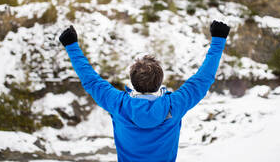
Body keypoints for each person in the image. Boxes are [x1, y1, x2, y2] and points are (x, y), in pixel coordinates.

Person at [59, 20, 230, 162]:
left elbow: (91, 80)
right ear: (160, 81)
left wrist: (72, 45)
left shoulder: (118, 104)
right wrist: (218, 40)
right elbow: (203, 79)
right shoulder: (174, 105)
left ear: (133, 82)